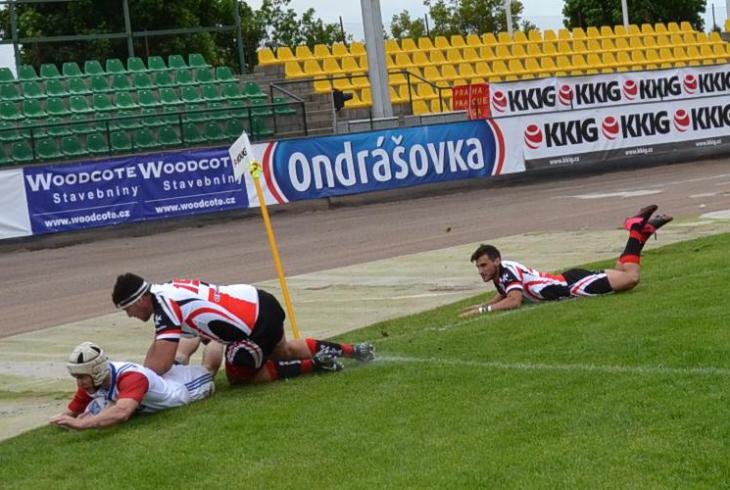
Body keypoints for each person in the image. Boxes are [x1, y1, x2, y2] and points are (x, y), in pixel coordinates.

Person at [112, 275, 375, 385]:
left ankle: (316, 365)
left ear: (140, 300)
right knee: (282, 351)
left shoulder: (165, 306)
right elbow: (182, 340)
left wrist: (140, 377)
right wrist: (178, 358)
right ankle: (355, 351)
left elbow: (160, 363)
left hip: (254, 325)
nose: (130, 315)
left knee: (238, 373)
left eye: (128, 309)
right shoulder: (165, 290)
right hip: (262, 302)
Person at [460, 205, 673, 317]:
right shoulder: (503, 274)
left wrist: (481, 311)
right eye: (479, 267)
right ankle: (642, 234)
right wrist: (483, 304)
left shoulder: (508, 272)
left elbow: (513, 300)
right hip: (570, 280)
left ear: (497, 261)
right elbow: (504, 292)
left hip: (572, 287)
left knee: (631, 278)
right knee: (622, 272)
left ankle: (635, 229)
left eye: (483, 265)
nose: (481, 271)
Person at [50, 341, 218, 430]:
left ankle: (215, 337)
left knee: (208, 369)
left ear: (96, 371)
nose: (79, 383)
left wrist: (82, 424)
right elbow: (70, 412)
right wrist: (62, 420)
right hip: (163, 379)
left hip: (184, 390)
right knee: (179, 358)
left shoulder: (131, 377)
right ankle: (194, 332)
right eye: (77, 377)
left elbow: (122, 412)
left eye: (81, 377)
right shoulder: (93, 382)